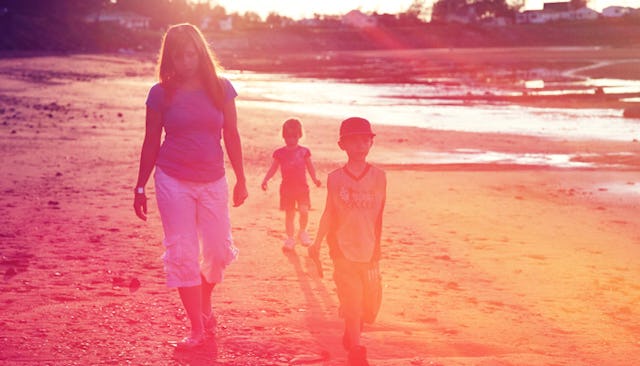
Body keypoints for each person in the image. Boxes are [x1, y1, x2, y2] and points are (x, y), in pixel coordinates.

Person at [133, 23, 247, 349]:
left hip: (213, 179)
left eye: (192, 54)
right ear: (170, 57)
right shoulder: (160, 93)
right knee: (182, 253)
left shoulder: (221, 88)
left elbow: (232, 135)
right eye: (179, 56)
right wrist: (140, 187)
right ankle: (197, 327)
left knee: (218, 252)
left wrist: (241, 178)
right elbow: (151, 141)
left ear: (201, 53)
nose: (186, 61)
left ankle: (204, 301)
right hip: (172, 180)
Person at [308, 117, 386, 366]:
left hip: (370, 250)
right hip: (341, 250)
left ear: (371, 144)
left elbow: (377, 216)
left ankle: (352, 331)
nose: (361, 146)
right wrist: (318, 242)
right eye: (355, 141)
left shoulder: (379, 177)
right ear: (343, 145)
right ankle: (356, 352)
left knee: (368, 306)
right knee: (352, 301)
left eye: (366, 140)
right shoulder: (335, 178)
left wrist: (376, 247)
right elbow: (330, 212)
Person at [261, 118, 321, 251]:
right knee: (290, 214)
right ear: (283, 136)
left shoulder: (304, 152)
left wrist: (315, 179)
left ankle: (303, 231)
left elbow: (310, 167)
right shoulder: (280, 153)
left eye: (294, 136)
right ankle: (290, 238)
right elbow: (273, 168)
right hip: (287, 189)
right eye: (288, 136)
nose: (291, 139)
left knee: (304, 211)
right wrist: (266, 179)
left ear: (299, 136)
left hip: (302, 188)